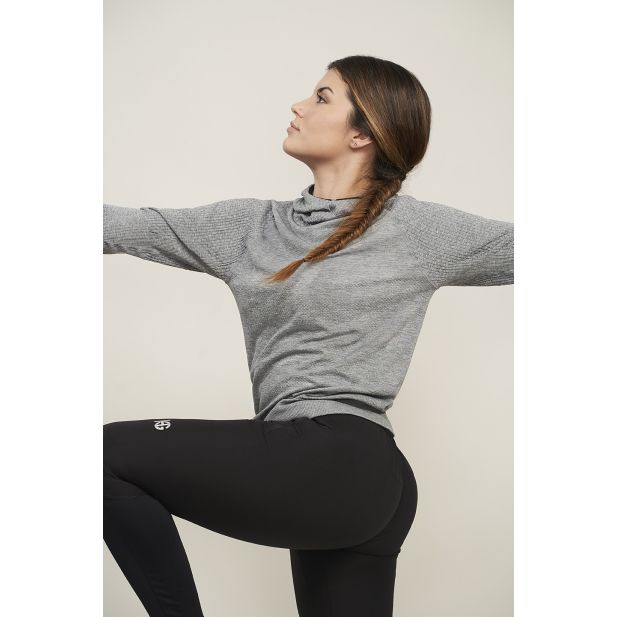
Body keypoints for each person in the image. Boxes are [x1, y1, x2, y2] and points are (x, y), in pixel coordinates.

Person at [103, 54, 514, 617]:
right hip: (334, 480)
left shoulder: (417, 231)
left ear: (363, 133)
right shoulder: (250, 228)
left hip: (344, 461)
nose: (298, 106)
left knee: (100, 454)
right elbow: (121, 226)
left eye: (322, 97)